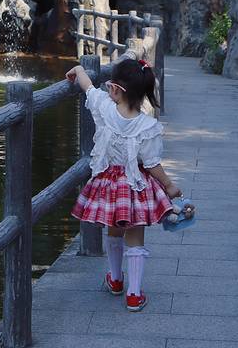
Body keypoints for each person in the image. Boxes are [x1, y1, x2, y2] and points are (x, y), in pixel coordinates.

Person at [66, 57, 191, 312]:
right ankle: (134, 294)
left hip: (109, 186)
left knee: (113, 230)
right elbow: (152, 164)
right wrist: (169, 186)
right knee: (135, 236)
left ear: (114, 89)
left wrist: (78, 69)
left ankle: (115, 279)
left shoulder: (104, 108)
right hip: (135, 187)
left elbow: (88, 87)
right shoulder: (148, 126)